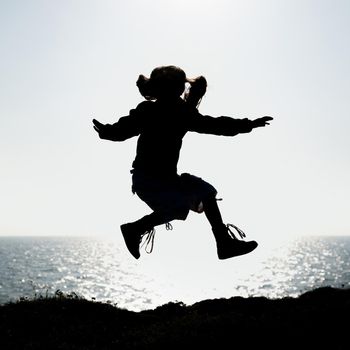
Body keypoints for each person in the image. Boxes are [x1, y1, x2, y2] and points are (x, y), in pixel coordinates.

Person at [93, 65, 272, 260]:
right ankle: (134, 229)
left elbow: (215, 125)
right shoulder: (155, 111)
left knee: (206, 192)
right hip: (147, 180)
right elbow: (123, 129)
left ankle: (223, 243)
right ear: (169, 88)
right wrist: (107, 132)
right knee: (178, 207)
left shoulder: (181, 113)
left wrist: (248, 124)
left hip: (166, 180)